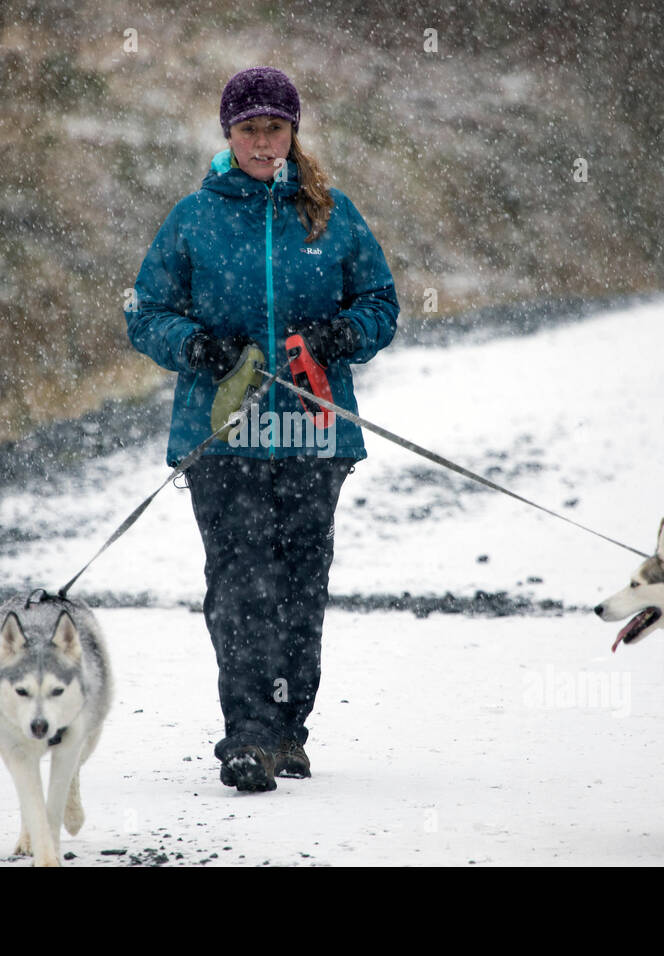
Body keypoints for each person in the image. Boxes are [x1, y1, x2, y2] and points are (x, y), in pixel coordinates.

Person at [126, 66, 398, 792]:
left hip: (316, 436)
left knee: (300, 584)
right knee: (240, 583)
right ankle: (245, 736)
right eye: (249, 128)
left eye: (274, 127)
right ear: (228, 134)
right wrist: (196, 347)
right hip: (222, 439)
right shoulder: (193, 217)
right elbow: (144, 311)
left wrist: (341, 336)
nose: (261, 139)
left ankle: (288, 732)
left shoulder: (332, 214)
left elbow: (381, 303)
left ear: (293, 132)